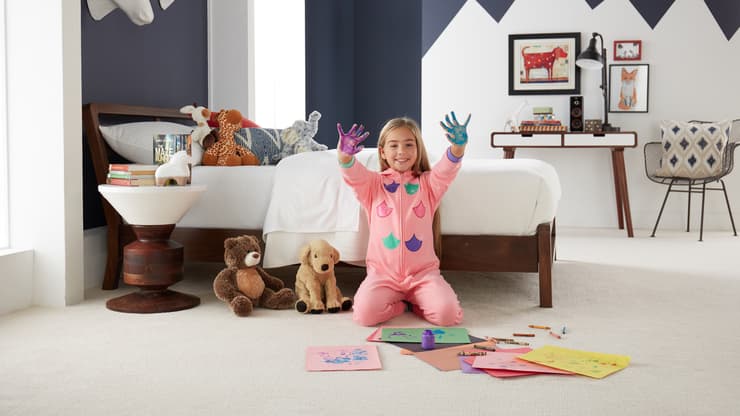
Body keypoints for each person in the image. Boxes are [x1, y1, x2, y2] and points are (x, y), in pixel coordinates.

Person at [336, 111, 471, 326]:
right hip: (383, 276)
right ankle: (402, 305)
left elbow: (447, 170)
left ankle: (417, 302)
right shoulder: (372, 185)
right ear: (382, 152)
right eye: (393, 145)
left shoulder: (429, 184)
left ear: (418, 150)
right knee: (364, 315)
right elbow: (352, 174)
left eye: (409, 145)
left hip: (423, 276)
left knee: (447, 316)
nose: (401, 151)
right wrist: (344, 156)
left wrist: (458, 148)